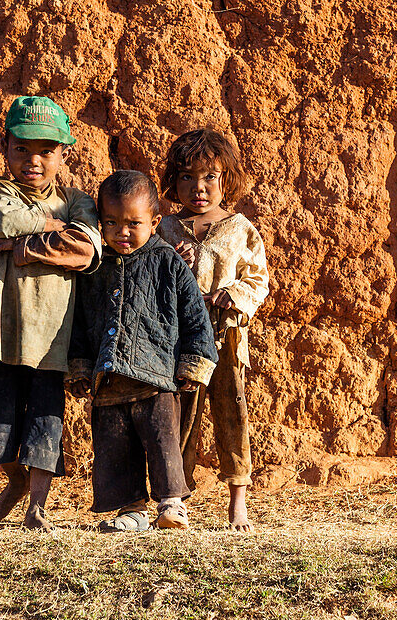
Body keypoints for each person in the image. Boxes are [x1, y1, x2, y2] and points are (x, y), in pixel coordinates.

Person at [0, 95, 101, 531]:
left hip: (50, 335)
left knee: (44, 417)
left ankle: (37, 507)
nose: (33, 160)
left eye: (46, 150)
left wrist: (21, 249)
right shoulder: (2, 189)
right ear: (5, 149)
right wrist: (54, 227)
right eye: (22, 149)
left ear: (63, 153)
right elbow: (2, 221)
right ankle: (14, 480)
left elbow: (87, 249)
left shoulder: (78, 200)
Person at [66, 170, 218, 532]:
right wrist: (78, 367)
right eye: (112, 223)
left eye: (134, 223)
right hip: (109, 378)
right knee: (116, 447)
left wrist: (193, 364)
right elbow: (80, 322)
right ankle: (131, 509)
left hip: (157, 377)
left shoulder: (168, 261)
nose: (122, 232)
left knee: (163, 440)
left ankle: (172, 504)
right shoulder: (95, 266)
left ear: (155, 222)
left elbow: (195, 316)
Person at [157, 128, 270, 532]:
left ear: (228, 179)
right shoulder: (166, 231)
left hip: (225, 338)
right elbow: (152, 279)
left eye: (209, 177)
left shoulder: (240, 228)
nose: (198, 188)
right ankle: (175, 501)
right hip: (179, 342)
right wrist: (173, 263)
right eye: (186, 177)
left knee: (231, 413)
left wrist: (233, 294)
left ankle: (238, 501)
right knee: (180, 417)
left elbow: (257, 278)